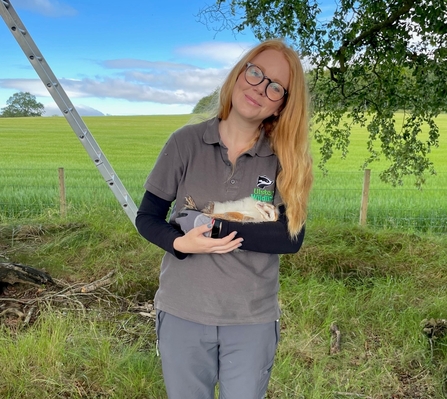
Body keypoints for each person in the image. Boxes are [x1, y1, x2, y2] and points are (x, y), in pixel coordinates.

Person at [136, 38, 313, 399]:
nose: (260, 88)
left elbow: (289, 238)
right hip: (183, 312)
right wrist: (179, 242)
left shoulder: (284, 159)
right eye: (255, 73)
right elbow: (148, 217)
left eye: (275, 86)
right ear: (238, 74)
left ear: (282, 105)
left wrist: (211, 223)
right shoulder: (184, 143)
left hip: (251, 320)